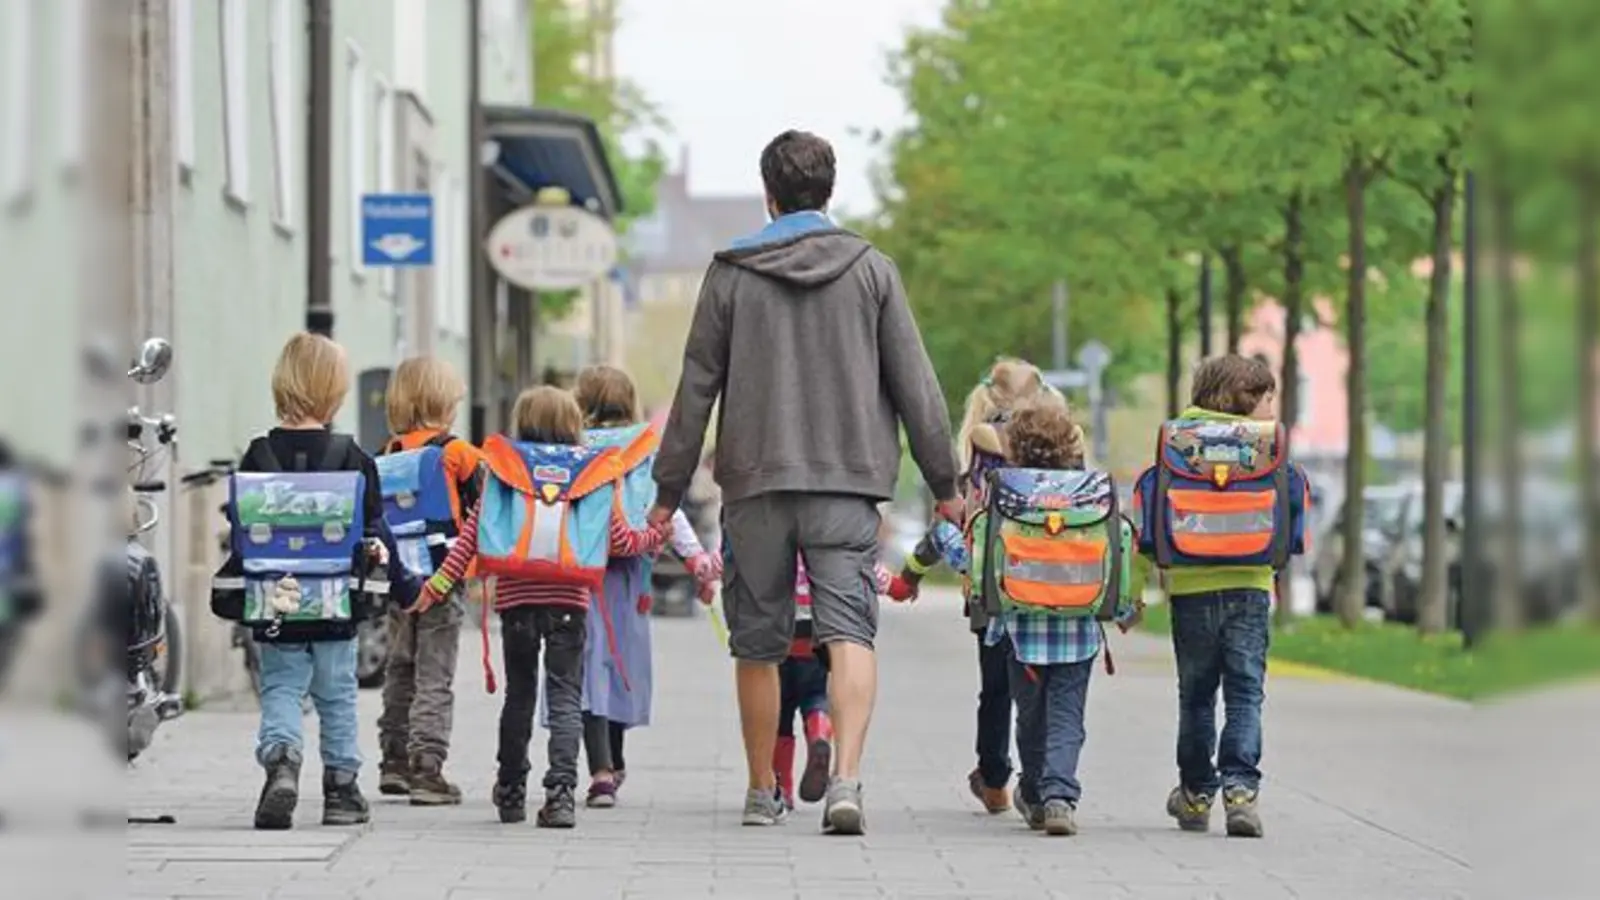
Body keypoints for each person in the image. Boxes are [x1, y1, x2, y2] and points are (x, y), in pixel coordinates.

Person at [651, 129, 960, 833]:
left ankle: (764, 790)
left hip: (754, 483)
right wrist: (947, 485)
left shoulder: (730, 273)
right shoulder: (873, 270)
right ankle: (847, 779)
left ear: (768, 195)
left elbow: (695, 389)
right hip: (847, 485)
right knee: (849, 631)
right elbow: (918, 385)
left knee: (757, 642)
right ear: (829, 191)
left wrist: (666, 494)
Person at [414, 386, 669, 829]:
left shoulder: (505, 469)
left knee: (519, 696)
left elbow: (471, 538)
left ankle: (511, 790)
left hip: (517, 603)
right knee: (567, 696)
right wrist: (655, 537)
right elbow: (622, 541)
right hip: (570, 600)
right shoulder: (592, 472)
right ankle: (561, 795)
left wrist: (434, 586)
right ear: (573, 426)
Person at [221, 333, 394, 830]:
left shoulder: (257, 456)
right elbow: (372, 526)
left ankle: (282, 764)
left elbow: (242, 527)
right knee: (337, 693)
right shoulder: (353, 456)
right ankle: (341, 791)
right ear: (335, 392)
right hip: (335, 603)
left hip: (275, 601)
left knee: (280, 686)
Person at [1145, 354, 1295, 839]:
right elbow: (1293, 506)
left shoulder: (1177, 441)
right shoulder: (1267, 447)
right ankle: (1240, 792)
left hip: (1190, 586)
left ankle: (1194, 794)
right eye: (1268, 396)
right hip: (1250, 583)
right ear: (1244, 398)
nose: (1273, 405)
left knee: (1196, 697)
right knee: (1245, 693)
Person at [979, 401, 1140, 836]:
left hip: (1020, 629)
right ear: (1071, 445)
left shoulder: (1005, 489)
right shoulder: (1091, 492)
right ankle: (1058, 796)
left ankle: (1032, 790)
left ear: (1014, 450)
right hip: (1078, 629)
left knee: (1030, 718)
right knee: (1067, 716)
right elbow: (1117, 546)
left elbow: (983, 550)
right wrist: (1124, 609)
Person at [569, 365, 719, 809]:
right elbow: (667, 512)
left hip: (581, 573)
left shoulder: (573, 448)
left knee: (587, 667)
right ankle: (614, 763)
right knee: (619, 665)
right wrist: (695, 561)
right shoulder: (645, 449)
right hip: (630, 576)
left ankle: (597, 770)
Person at [373, 357, 485, 805]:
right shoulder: (458, 453)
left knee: (400, 668)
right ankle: (427, 767)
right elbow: (485, 511)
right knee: (434, 673)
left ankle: (394, 761)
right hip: (444, 579)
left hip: (400, 581)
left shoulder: (389, 452)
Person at [774, 554, 902, 811]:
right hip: (818, 635)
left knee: (780, 714)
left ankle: (782, 788)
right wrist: (904, 587)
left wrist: (704, 570)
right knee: (816, 696)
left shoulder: (778, 541)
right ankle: (820, 730)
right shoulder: (834, 546)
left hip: (780, 635)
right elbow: (880, 579)